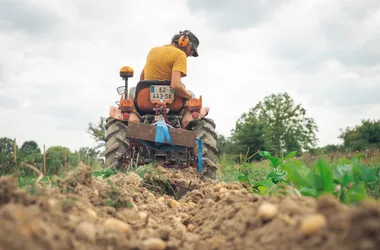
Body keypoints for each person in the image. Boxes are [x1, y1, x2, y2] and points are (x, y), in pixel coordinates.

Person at [129, 30, 208, 125]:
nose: (190, 54)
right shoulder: (180, 55)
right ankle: (186, 124)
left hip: (146, 101)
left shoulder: (153, 51)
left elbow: (142, 79)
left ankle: (135, 120)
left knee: (133, 90)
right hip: (173, 104)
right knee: (191, 95)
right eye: (191, 50)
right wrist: (189, 97)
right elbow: (175, 85)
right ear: (183, 42)